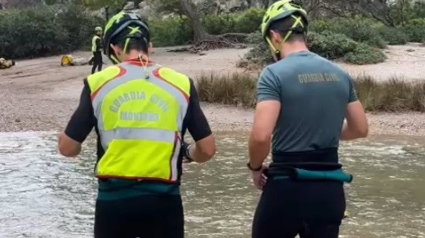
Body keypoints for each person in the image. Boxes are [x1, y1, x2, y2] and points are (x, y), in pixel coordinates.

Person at [58, 11, 216, 238]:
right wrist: (188, 153)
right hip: (165, 203)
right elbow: (208, 150)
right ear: (149, 46)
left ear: (114, 48)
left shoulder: (98, 83)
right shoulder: (182, 84)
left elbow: (67, 148)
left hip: (114, 204)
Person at [247, 1, 368, 238]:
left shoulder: (273, 73)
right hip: (330, 191)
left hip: (287, 188)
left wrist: (254, 167)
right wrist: (327, 128)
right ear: (304, 34)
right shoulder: (340, 72)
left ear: (274, 36)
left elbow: (261, 136)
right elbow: (360, 128)